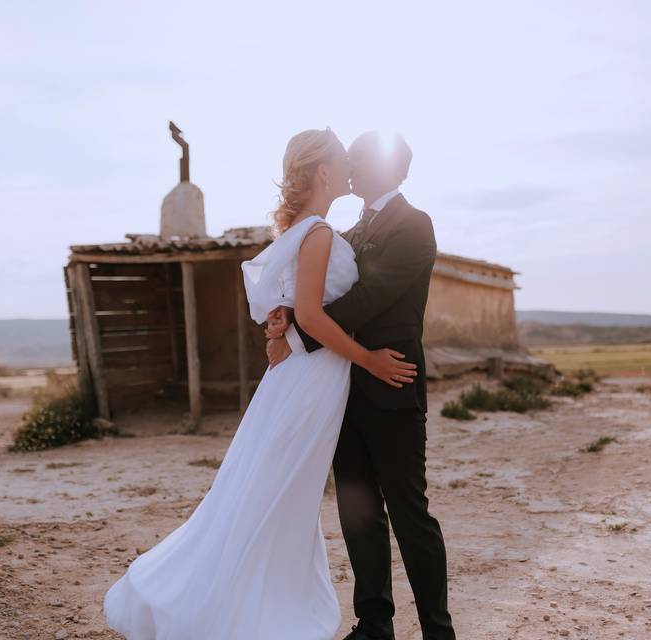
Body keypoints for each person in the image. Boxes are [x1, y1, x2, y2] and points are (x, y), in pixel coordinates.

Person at [102, 127, 417, 639]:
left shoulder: (309, 231)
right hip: (314, 378)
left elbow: (294, 310)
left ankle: (262, 599)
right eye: (343, 161)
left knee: (280, 491)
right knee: (274, 491)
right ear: (322, 172)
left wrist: (282, 327)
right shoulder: (317, 235)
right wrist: (368, 360)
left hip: (307, 375)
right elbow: (313, 316)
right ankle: (231, 610)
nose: (351, 169)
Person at [266, 131, 456, 640]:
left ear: (389, 168)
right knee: (358, 511)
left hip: (393, 380)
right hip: (345, 384)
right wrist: (286, 313)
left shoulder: (415, 226)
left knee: (409, 513)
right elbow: (323, 288)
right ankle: (375, 624)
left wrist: (301, 329)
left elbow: (370, 297)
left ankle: (439, 630)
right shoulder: (348, 231)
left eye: (357, 157)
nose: (347, 163)